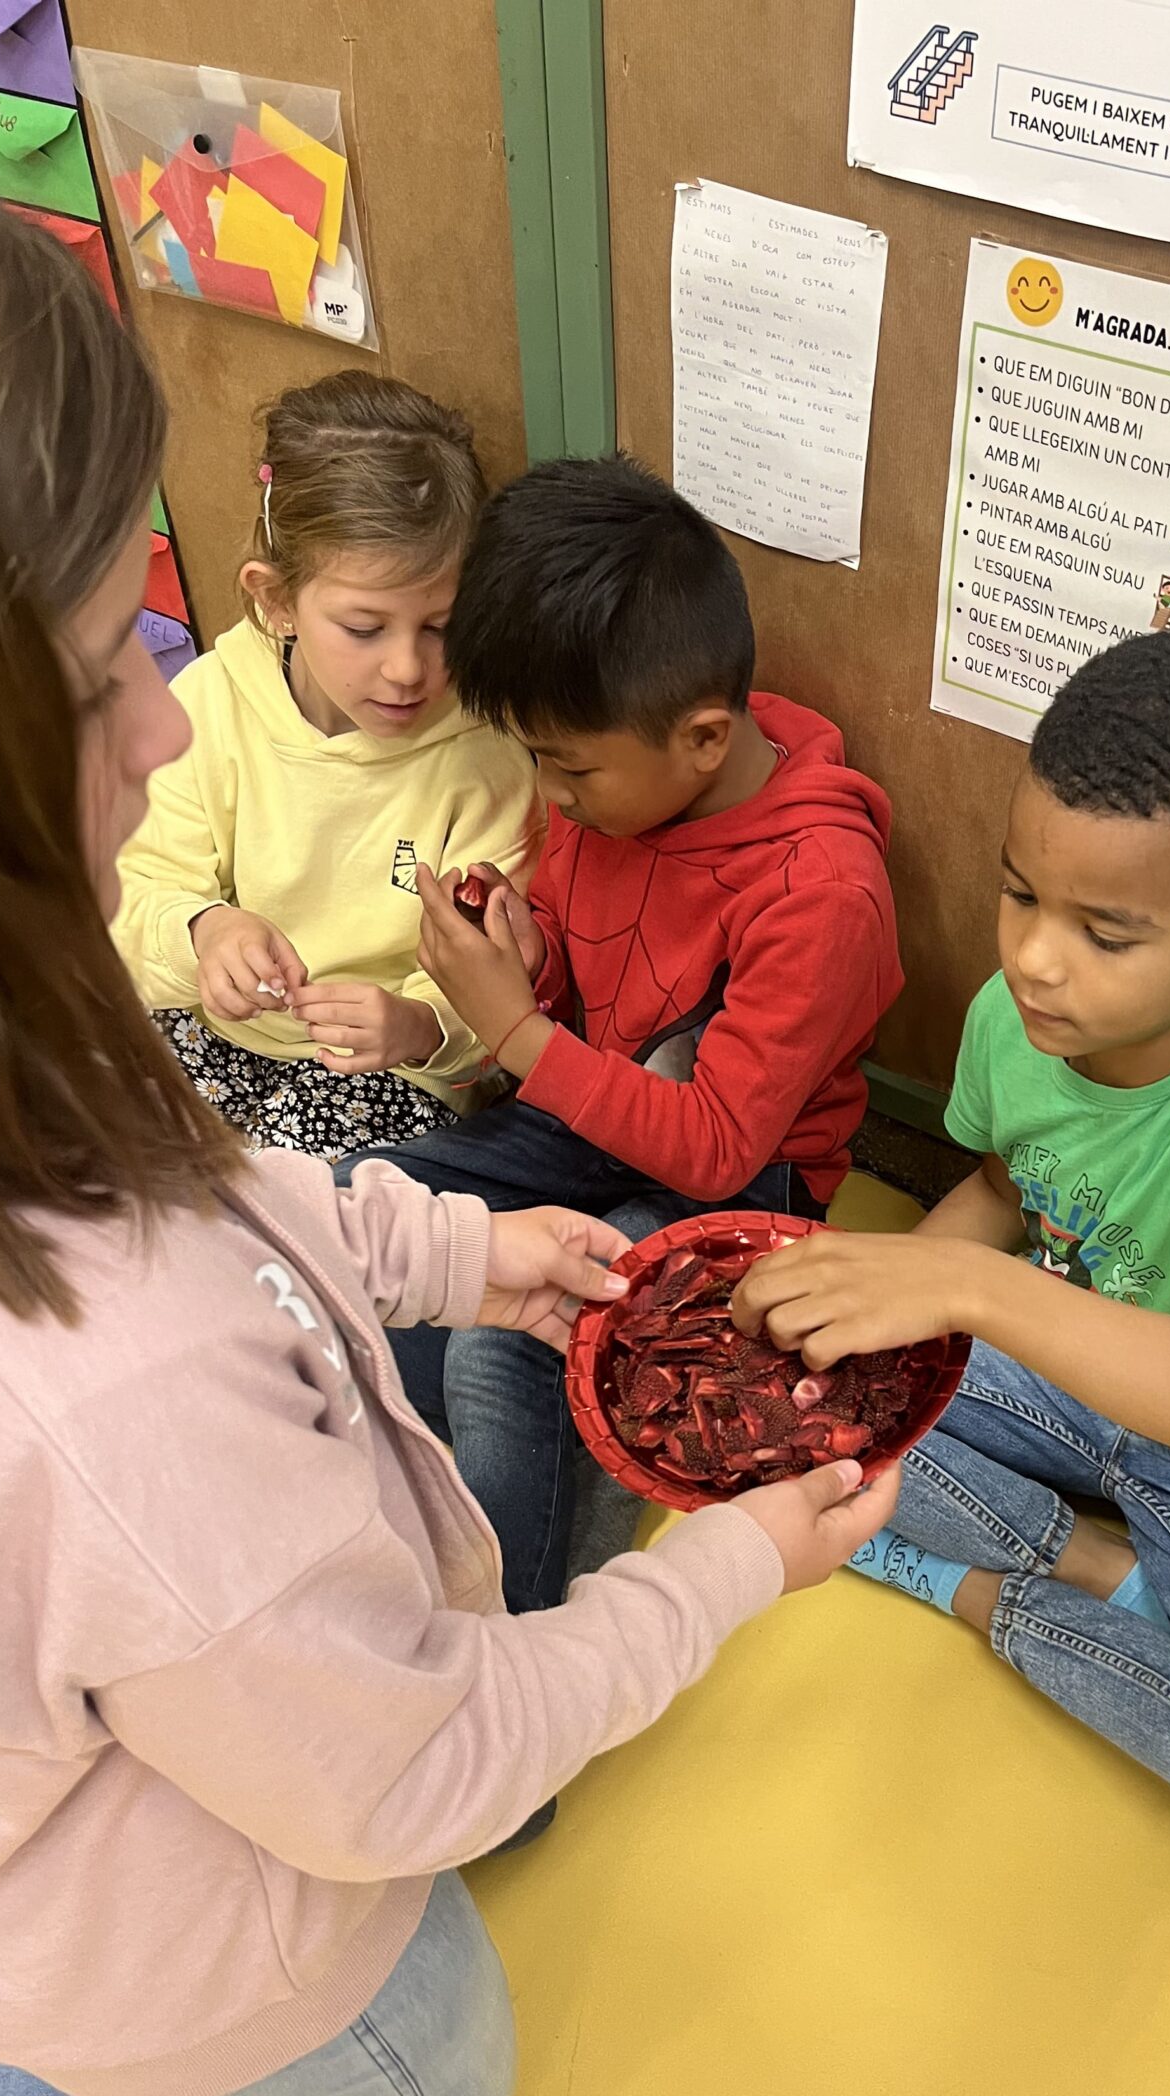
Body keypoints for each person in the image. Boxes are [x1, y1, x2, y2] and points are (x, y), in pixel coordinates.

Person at [0, 129, 896, 2096]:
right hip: (186, 1898)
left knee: (512, 1347)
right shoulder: (119, 1420)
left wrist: (456, 1219)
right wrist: (725, 1569)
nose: (161, 715)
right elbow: (407, 1772)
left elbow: (211, 1186)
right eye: (92, 662)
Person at [732, 633, 1170, 1838]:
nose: (1033, 959)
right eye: (1021, 894)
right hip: (1047, 1392)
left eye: (1105, 934)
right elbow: (1002, 1190)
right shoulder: (1013, 1016)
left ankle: (981, 1590)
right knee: (778, 1392)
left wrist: (967, 1288)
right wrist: (885, 1303)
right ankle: (1076, 1556)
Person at [353, 455, 902, 1613]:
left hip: (743, 1186)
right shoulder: (627, 778)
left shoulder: (820, 890)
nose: (549, 796)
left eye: (568, 766)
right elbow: (582, 958)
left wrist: (509, 1027)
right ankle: (425, 1485)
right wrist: (528, 955)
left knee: (513, 1343)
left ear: (705, 738)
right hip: (593, 1117)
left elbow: (709, 1147)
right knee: (373, 1205)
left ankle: (513, 1652)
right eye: (536, 758)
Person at [112, 371, 537, 1160]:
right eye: (364, 628)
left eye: (443, 626)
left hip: (391, 1074)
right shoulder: (209, 702)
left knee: (281, 1209)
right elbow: (132, 904)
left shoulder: (489, 763)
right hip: (217, 1031)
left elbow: (506, 993)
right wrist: (203, 930)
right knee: (95, 1142)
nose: (408, 669)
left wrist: (418, 1027)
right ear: (276, 602)